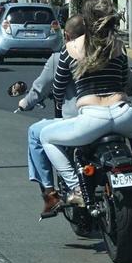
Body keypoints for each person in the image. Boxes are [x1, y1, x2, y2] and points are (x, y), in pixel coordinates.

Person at [38, 0, 132, 209]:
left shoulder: (71, 48)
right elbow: (122, 81)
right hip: (123, 115)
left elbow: (59, 86)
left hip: (91, 120)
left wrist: (58, 106)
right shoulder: (118, 45)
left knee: (46, 136)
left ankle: (77, 188)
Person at [16, 15, 86, 217]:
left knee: (36, 133)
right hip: (115, 115)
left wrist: (25, 103)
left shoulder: (61, 58)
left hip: (76, 121)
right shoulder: (104, 53)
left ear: (66, 35)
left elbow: (41, 90)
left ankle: (50, 194)